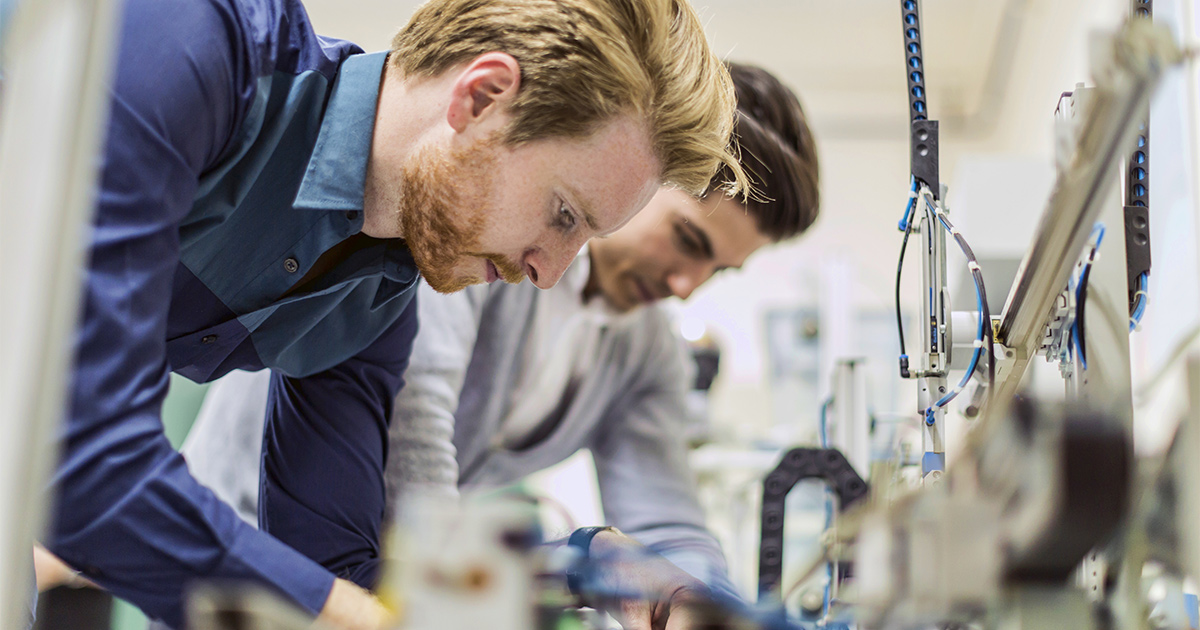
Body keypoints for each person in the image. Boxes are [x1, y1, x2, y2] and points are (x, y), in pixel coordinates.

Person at [40, 0, 746, 626]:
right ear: (482, 97)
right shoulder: (194, 39)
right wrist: (332, 613)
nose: (549, 272)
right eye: (563, 215)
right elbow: (79, 456)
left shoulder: (373, 294)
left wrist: (590, 569)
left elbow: (340, 569)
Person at [179, 62, 819, 602]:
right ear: (637, 178)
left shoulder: (644, 347)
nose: (687, 285)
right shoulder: (488, 246)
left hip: (394, 573)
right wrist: (525, 583)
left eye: (718, 270)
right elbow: (416, 428)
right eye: (687, 240)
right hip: (246, 542)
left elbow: (665, 518)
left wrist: (704, 604)